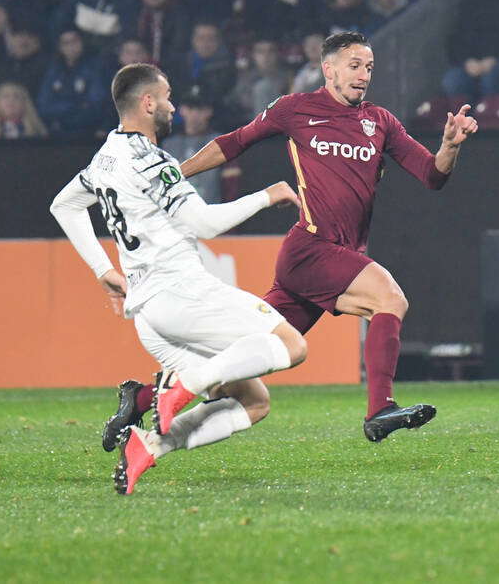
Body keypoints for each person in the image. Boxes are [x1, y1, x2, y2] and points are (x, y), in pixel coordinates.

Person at [104, 32, 477, 447]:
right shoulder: (295, 109)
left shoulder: (381, 122)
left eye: (369, 68)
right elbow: (235, 142)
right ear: (329, 69)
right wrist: (172, 177)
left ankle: (140, 399)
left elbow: (432, 175)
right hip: (312, 248)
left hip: (336, 256)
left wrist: (448, 145)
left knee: (247, 362)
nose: (363, 75)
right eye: (354, 66)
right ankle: (379, 410)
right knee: (390, 300)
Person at [50, 62, 307, 494]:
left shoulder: (106, 156)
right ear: (148, 103)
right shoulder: (153, 160)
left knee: (254, 402)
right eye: (167, 97)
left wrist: (104, 271)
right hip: (182, 293)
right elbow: (203, 224)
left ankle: (149, 446)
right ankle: (183, 384)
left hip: (149, 317)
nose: (173, 106)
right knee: (291, 345)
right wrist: (267, 195)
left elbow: (64, 205)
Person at [37, 28, 107, 137]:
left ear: (82, 42)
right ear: (60, 47)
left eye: (75, 41)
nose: (71, 46)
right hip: (57, 132)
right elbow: (44, 105)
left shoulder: (95, 68)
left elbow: (96, 104)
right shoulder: (53, 71)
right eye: (66, 43)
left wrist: (63, 110)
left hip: (88, 132)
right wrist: (76, 106)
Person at [161, 93, 227, 204]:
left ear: (209, 111)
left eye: (200, 109)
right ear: (182, 110)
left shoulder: (222, 142)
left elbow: (230, 186)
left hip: (212, 212)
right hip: (177, 214)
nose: (195, 114)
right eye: (190, 108)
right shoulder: (168, 145)